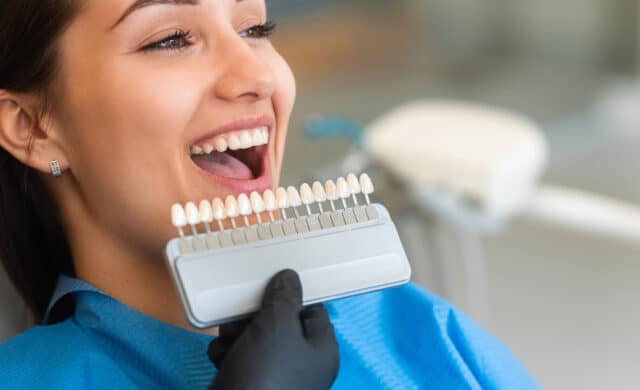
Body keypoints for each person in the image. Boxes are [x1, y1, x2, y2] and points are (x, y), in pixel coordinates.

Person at [0, 0, 537, 388]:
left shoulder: (418, 331)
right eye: (169, 39)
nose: (256, 73)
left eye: (255, 27)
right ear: (30, 126)